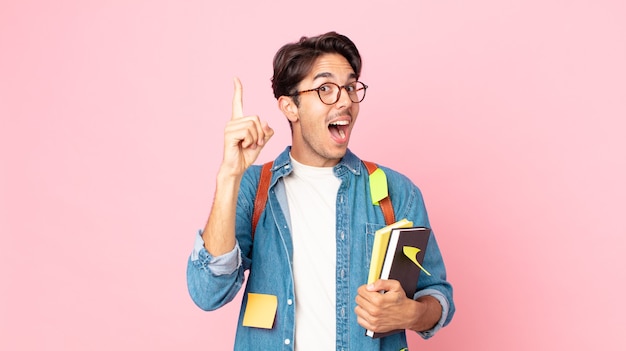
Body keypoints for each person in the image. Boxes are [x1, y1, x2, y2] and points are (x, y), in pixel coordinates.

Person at [186, 31, 455, 350]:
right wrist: (229, 175)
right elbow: (207, 292)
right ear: (290, 107)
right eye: (326, 88)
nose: (345, 100)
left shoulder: (396, 191)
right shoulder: (254, 188)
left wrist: (410, 313)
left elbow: (436, 295)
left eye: (350, 87)